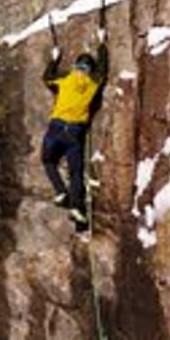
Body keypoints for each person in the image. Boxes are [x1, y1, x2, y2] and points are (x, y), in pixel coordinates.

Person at [42, 30, 108, 229]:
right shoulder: (93, 83)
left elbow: (47, 78)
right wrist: (102, 43)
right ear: (89, 69)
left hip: (56, 128)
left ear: (76, 66)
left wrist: (54, 59)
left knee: (48, 160)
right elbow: (103, 69)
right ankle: (77, 208)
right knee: (76, 172)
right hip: (75, 131)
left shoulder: (65, 79)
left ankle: (61, 192)